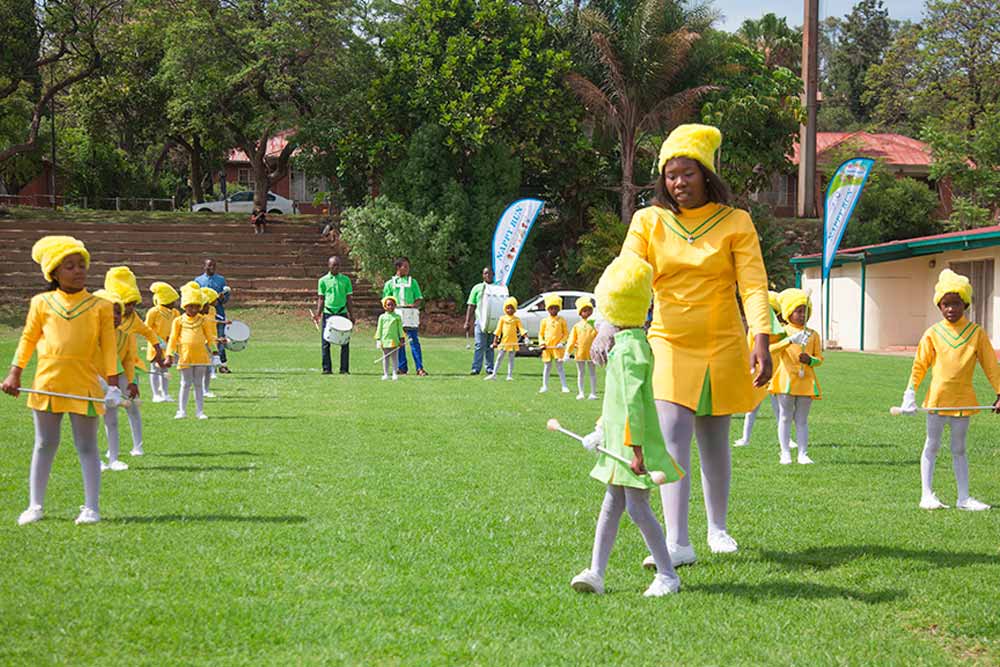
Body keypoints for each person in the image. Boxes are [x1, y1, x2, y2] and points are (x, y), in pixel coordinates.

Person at [592, 124, 772, 567]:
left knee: (714, 440)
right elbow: (625, 273)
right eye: (671, 174)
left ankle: (718, 528)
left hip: (724, 343)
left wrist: (761, 338)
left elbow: (753, 285)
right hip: (669, 340)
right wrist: (606, 324)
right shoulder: (648, 221)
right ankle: (678, 541)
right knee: (672, 436)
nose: (678, 183)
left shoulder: (736, 222)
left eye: (687, 173)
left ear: (706, 173)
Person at [570, 254, 685, 597]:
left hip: (635, 447)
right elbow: (616, 402)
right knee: (611, 505)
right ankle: (596, 572)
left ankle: (668, 574)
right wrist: (601, 429)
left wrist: (636, 450)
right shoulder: (623, 344)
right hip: (620, 443)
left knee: (637, 508)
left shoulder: (632, 349)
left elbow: (634, 405)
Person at [2, 236, 121, 526]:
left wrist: (114, 384)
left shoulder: (100, 306)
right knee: (44, 444)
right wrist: (15, 373)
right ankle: (35, 505)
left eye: (81, 265)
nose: (78, 270)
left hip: (85, 385)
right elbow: (28, 338)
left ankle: (91, 508)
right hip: (47, 383)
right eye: (69, 266)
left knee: (87, 446)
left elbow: (108, 348)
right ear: (54, 272)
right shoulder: (41, 302)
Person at [901, 269, 999, 511]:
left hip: (963, 400)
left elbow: (990, 366)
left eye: (956, 304)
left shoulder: (976, 333)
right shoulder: (932, 333)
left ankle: (963, 498)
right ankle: (926, 494)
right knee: (931, 445)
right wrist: (910, 393)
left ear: (965, 303)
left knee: (959, 448)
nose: (951, 309)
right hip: (937, 400)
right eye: (946, 304)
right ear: (939, 306)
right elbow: (919, 365)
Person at [104, 266, 164, 457]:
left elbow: (145, 334)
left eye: (132, 303)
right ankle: (112, 451)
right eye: (125, 304)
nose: (129, 308)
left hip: (126, 369)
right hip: (106, 371)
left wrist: (158, 347)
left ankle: (138, 446)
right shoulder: (103, 323)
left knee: (133, 406)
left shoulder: (133, 320)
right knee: (109, 412)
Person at [770, 289, 822, 465]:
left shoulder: (813, 334)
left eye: (805, 311)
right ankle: (785, 452)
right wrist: (790, 341)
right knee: (785, 417)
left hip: (806, 380)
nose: (802, 315)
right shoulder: (783, 331)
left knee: (802, 419)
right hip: (786, 380)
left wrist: (810, 360)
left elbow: (819, 359)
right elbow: (771, 350)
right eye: (798, 311)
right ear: (789, 312)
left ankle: (803, 454)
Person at [734, 290, 793, 448]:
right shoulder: (755, 331)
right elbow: (751, 348)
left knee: (780, 410)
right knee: (752, 408)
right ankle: (745, 438)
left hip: (777, 374)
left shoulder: (782, 332)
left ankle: (788, 439)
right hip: (759, 374)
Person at [93, 289, 138, 471]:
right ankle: (95, 460)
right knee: (91, 424)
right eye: (111, 311)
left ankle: (114, 458)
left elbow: (119, 362)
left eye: (118, 312)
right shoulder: (87, 335)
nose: (116, 316)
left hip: (111, 383)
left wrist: (120, 385)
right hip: (90, 382)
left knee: (111, 421)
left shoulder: (122, 336)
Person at [167, 282, 217, 419]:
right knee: (185, 383)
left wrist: (215, 352)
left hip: (201, 356)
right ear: (185, 306)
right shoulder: (178, 321)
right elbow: (173, 338)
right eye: (190, 306)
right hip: (185, 356)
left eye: (196, 306)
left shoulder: (203, 320)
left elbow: (209, 337)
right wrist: (169, 354)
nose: (193, 309)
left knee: (198, 384)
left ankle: (200, 411)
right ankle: (181, 411)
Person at [382, 257, 427, 376]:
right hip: (396, 315)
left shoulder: (413, 282)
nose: (407, 269)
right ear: (398, 268)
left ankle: (419, 368)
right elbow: (386, 300)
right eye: (405, 267)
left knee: (413, 341)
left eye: (408, 267)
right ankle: (402, 367)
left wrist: (413, 305)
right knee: (399, 342)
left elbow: (418, 298)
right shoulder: (390, 283)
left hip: (410, 315)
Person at [314, 256, 354, 375]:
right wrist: (318, 314)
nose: (336, 267)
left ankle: (344, 369)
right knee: (326, 342)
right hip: (328, 312)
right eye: (334, 265)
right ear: (329, 266)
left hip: (342, 312)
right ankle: (327, 368)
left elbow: (349, 298)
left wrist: (352, 315)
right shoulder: (323, 280)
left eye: (338, 265)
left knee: (345, 342)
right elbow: (321, 298)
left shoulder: (346, 280)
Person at [194, 258, 231, 373]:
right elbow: (195, 297)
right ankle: (206, 364)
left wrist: (222, 298)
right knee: (205, 339)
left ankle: (222, 364)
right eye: (209, 266)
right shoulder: (198, 280)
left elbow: (226, 299)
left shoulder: (220, 280)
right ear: (204, 266)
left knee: (219, 338)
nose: (212, 268)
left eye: (214, 266)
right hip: (203, 315)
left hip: (218, 313)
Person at [145, 282, 180, 403]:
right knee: (155, 369)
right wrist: (158, 341)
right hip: (156, 345)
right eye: (172, 301)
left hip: (169, 346)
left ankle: (165, 393)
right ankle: (155, 394)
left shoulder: (175, 313)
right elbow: (147, 329)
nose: (174, 303)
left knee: (165, 369)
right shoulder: (153, 312)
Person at [565, 297, 599, 400]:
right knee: (581, 373)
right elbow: (572, 339)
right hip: (580, 353)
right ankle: (581, 392)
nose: (587, 313)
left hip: (592, 353)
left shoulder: (595, 324)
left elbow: (599, 337)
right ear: (580, 313)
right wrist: (567, 352)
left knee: (592, 373)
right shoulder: (577, 326)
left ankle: (593, 392)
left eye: (589, 310)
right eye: (584, 311)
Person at [464, 266, 495, 376]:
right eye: (486, 273)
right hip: (480, 321)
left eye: (490, 273)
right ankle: (476, 368)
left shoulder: (497, 288)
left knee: (490, 346)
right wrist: (467, 321)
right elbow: (471, 305)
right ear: (483, 275)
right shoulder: (477, 288)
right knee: (479, 345)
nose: (488, 275)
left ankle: (490, 368)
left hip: (492, 322)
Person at [487, 297, 526, 381]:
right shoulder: (502, 318)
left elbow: (521, 329)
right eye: (508, 308)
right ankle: (494, 374)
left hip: (513, 343)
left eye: (512, 308)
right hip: (504, 342)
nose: (509, 310)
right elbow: (498, 331)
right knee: (499, 358)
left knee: (511, 359)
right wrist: (495, 342)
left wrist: (526, 337)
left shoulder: (516, 319)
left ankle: (509, 375)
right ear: (505, 308)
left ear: (515, 309)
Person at [538, 294, 569, 393]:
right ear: (548, 309)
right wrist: (542, 343)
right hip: (547, 348)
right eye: (551, 308)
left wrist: (562, 342)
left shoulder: (561, 320)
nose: (553, 310)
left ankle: (564, 386)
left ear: (559, 309)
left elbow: (566, 333)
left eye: (555, 308)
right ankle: (544, 386)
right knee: (547, 367)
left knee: (560, 367)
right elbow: (541, 334)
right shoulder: (544, 321)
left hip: (558, 348)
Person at [375, 295, 406, 381]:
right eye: (388, 305)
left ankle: (395, 373)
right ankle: (385, 373)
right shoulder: (382, 317)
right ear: (385, 306)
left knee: (395, 357)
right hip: (384, 340)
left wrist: (402, 339)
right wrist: (378, 339)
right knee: (385, 357)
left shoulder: (397, 317)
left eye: (392, 304)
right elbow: (379, 329)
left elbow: (400, 329)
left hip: (394, 340)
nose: (390, 306)